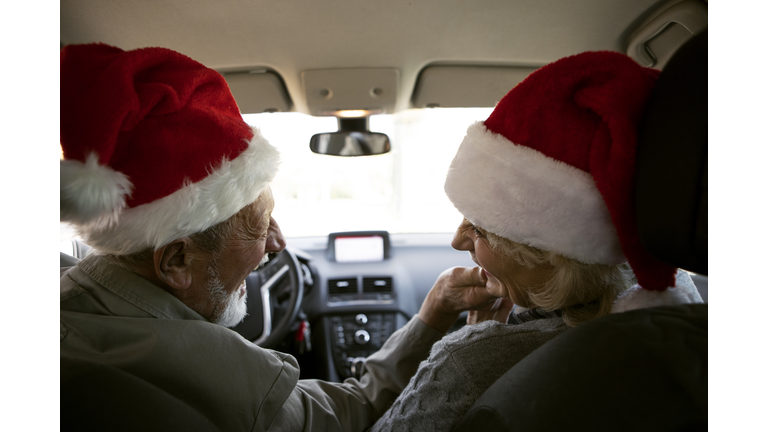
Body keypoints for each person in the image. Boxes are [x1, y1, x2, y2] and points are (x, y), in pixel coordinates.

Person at [59, 43, 504, 431]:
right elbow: (357, 413)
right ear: (175, 260)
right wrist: (441, 326)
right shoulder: (215, 374)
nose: (278, 243)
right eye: (258, 225)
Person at [371, 51, 704, 432]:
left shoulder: (466, 365)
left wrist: (472, 342)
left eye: (479, 229)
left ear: (552, 254)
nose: (457, 241)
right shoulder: (683, 306)